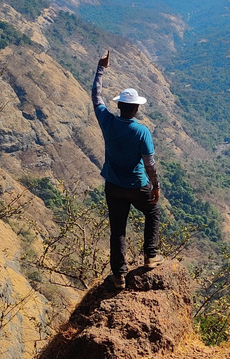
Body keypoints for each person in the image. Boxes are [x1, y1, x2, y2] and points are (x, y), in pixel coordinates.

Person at [91, 50, 163, 289]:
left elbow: (96, 96)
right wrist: (155, 187)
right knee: (152, 213)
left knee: (118, 229)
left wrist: (101, 68)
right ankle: (151, 256)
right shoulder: (141, 131)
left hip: (113, 186)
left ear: (120, 106)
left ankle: (119, 275)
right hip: (136, 185)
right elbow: (149, 164)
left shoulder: (107, 121)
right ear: (136, 109)